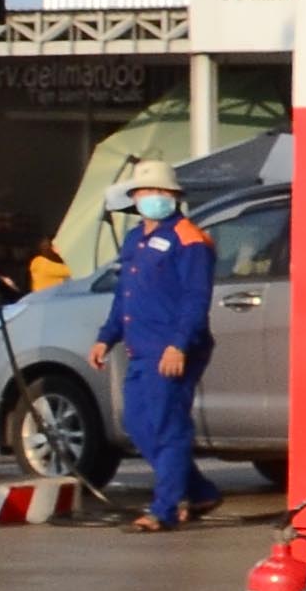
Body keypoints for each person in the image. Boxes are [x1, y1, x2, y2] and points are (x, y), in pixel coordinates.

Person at [88, 158, 221, 529]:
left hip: (171, 349)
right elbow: (125, 296)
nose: (152, 197)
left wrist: (179, 344)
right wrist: (106, 337)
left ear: (173, 195)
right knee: (137, 423)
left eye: (159, 191)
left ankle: (166, 507)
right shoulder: (136, 239)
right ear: (134, 198)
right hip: (140, 349)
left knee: (168, 426)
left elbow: (196, 298)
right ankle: (199, 490)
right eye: (145, 191)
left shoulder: (189, 239)